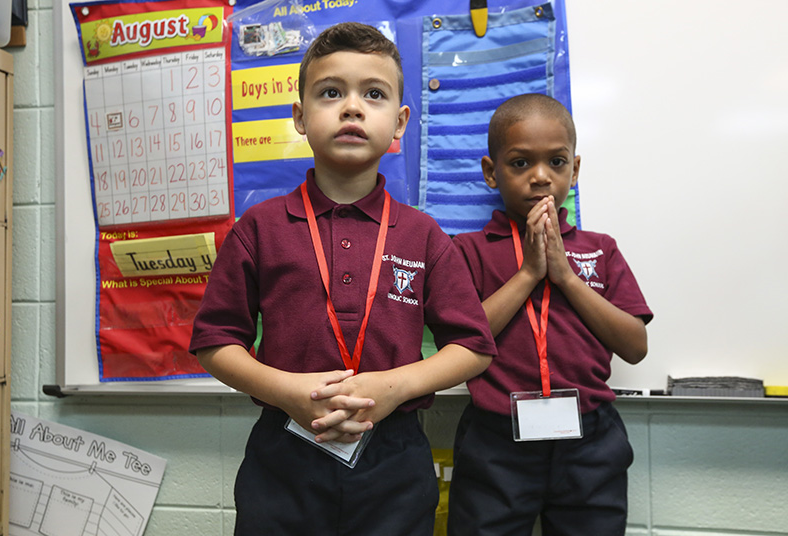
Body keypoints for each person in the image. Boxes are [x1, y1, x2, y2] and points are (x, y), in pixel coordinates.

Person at [189, 22, 496, 536]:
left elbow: (473, 345)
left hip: (394, 456)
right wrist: (285, 389)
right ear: (300, 117)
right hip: (284, 451)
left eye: (373, 94)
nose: (352, 107)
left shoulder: (423, 235)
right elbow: (215, 342)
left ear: (399, 124)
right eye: (331, 92)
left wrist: (394, 388)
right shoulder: (259, 229)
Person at [447, 93, 653, 536]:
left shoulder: (600, 249)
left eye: (557, 162)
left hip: (590, 440)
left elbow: (635, 347)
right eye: (520, 163)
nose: (540, 177)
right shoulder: (467, 251)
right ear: (491, 172)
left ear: (574, 170)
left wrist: (566, 276)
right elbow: (459, 341)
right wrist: (528, 274)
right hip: (496, 439)